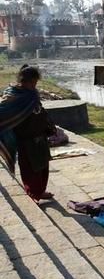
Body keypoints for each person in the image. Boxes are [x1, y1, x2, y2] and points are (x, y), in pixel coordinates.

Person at [0, 65, 56, 202]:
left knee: (43, 166)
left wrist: (48, 125)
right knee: (30, 168)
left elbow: (39, 110)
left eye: (35, 83)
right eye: (32, 82)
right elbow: (3, 113)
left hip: (40, 136)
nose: (34, 85)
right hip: (25, 139)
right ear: (23, 81)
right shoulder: (13, 95)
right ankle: (33, 192)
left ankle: (40, 191)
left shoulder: (33, 94)